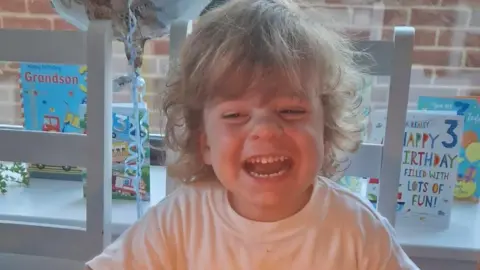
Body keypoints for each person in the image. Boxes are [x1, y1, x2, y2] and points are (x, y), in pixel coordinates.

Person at [86, 0, 420, 269]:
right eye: (235, 115)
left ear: (326, 129)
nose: (264, 130)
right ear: (204, 143)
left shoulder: (358, 231)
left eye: (291, 110)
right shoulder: (181, 218)